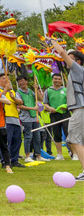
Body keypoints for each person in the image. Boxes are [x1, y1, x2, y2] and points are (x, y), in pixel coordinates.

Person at [49, 37, 84, 180]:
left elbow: (61, 52)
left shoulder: (78, 69)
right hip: (78, 109)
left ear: (78, 61)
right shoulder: (76, 72)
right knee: (75, 140)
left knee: (74, 140)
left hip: (80, 109)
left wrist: (51, 41)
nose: (67, 61)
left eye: (71, 58)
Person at [0, 72, 23, 168]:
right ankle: (5, 161)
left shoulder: (12, 91)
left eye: (7, 78)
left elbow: (20, 102)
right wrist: (5, 90)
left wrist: (13, 97)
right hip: (5, 118)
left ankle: (14, 160)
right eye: (3, 78)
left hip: (15, 118)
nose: (6, 80)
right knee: (6, 141)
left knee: (17, 141)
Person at [43, 72, 71, 159]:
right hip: (54, 115)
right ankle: (59, 154)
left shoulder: (66, 90)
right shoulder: (48, 91)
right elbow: (45, 103)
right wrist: (49, 108)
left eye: (59, 79)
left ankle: (73, 153)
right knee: (57, 134)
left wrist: (66, 107)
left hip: (65, 114)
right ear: (52, 80)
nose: (57, 81)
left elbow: (70, 102)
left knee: (69, 134)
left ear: (61, 80)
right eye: (55, 79)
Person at [15, 75, 43, 163]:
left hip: (35, 117)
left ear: (26, 81)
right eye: (19, 81)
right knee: (28, 137)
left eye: (23, 80)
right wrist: (32, 108)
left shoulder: (31, 91)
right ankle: (27, 156)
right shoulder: (18, 92)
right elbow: (19, 105)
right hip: (26, 119)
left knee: (37, 137)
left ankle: (38, 155)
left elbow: (40, 99)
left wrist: (37, 89)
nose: (21, 82)